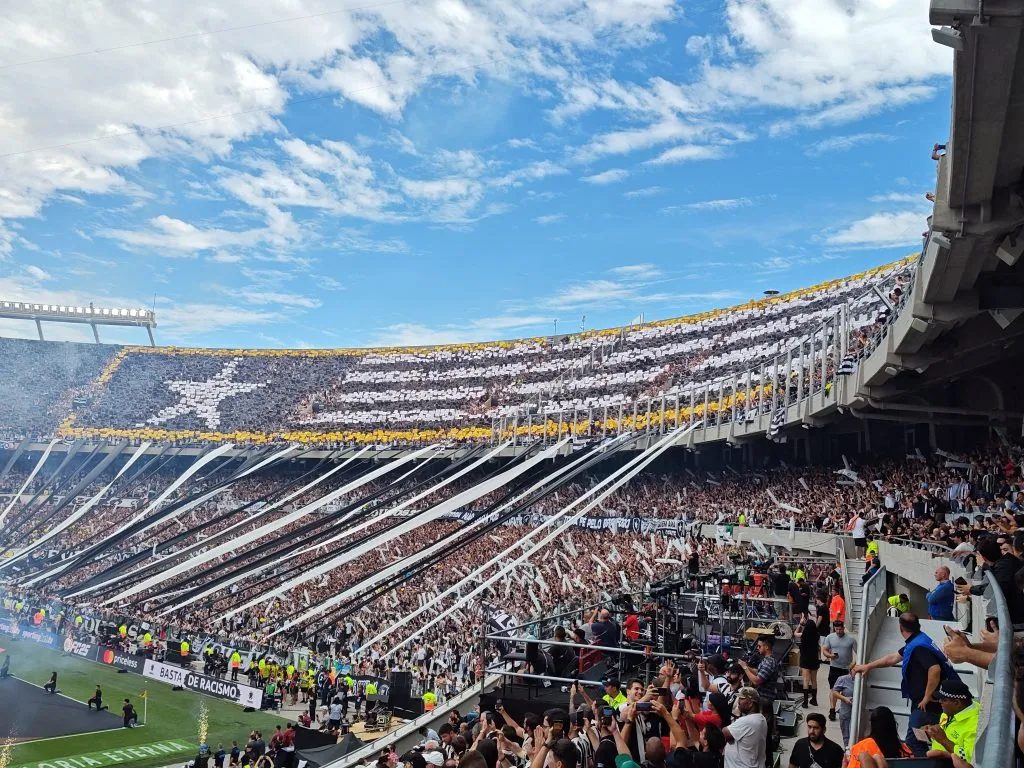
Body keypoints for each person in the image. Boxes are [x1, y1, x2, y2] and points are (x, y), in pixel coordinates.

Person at [852, 613, 960, 756]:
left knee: (913, 741)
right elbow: (893, 658)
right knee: (922, 740)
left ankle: (927, 763)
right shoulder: (918, 640)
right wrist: (868, 666)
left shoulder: (919, 647)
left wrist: (927, 696)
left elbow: (935, 670)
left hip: (927, 707)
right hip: (924, 705)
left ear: (901, 628)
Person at [923, 679, 979, 763]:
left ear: (957, 702)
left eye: (943, 699)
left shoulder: (975, 725)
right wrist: (932, 733)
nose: (940, 701)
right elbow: (945, 731)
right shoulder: (948, 712)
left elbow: (969, 758)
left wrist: (944, 741)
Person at [845, 707, 911, 768]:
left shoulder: (860, 747)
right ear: (893, 724)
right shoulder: (904, 750)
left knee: (864, 756)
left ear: (872, 724)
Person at [721, 687, 766, 768]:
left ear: (750, 703)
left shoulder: (747, 721)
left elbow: (724, 733)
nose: (738, 701)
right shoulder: (760, 718)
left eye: (742, 699)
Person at [821, 620, 856, 722]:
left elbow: (859, 652)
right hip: (834, 667)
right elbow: (824, 650)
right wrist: (830, 656)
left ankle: (843, 708)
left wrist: (853, 663)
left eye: (840, 629)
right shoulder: (830, 637)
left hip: (846, 668)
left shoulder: (851, 639)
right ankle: (832, 710)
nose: (838, 631)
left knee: (845, 690)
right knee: (833, 689)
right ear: (834, 628)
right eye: (836, 629)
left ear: (843, 628)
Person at [737, 636, 778, 703]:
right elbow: (758, 672)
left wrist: (745, 668)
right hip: (760, 696)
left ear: (766, 647)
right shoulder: (766, 660)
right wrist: (746, 666)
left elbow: (756, 681)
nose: (757, 648)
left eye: (759, 646)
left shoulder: (769, 662)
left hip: (765, 698)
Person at [794, 612, 819, 708]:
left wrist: (800, 624)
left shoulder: (803, 635)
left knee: (806, 680)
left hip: (805, 659)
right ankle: (814, 699)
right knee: (814, 680)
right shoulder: (816, 636)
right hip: (814, 659)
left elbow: (795, 633)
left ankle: (805, 702)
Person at [829, 672, 854, 747]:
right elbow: (834, 692)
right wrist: (844, 698)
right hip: (846, 712)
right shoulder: (843, 679)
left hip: (860, 714)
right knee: (846, 736)